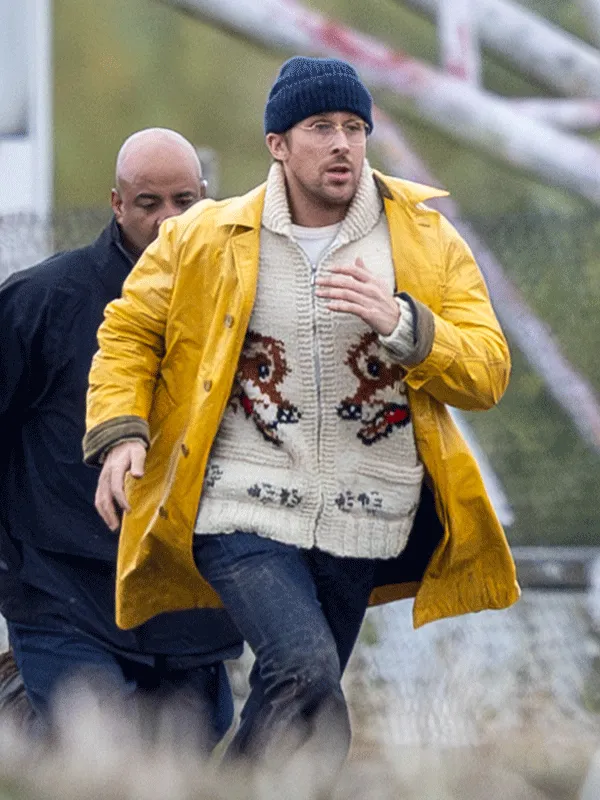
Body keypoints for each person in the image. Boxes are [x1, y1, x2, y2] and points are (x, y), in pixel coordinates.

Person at [84, 59, 520, 769]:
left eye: (355, 127)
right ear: (278, 144)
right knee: (305, 671)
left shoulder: (425, 240)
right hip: (239, 504)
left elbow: (488, 370)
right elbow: (129, 331)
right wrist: (121, 433)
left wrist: (404, 324)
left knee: (307, 714)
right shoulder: (207, 235)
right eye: (321, 127)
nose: (342, 143)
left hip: (367, 514)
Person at [0, 128, 243, 747]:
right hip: (62, 590)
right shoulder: (41, 302)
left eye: (184, 201)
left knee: (188, 752)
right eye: (147, 203)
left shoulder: (239, 306)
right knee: (97, 748)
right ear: (116, 204)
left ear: (206, 199)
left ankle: (24, 724)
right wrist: (13, 568)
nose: (168, 221)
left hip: (184, 594)